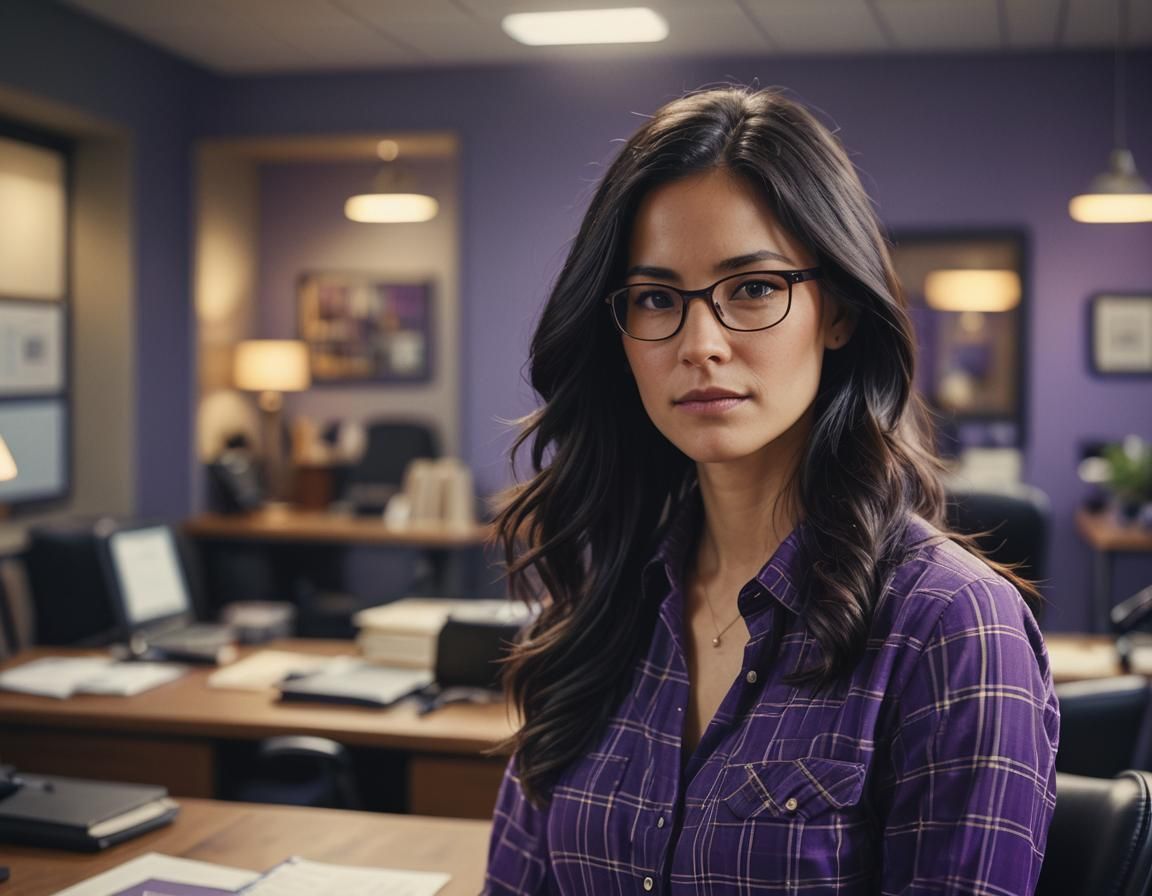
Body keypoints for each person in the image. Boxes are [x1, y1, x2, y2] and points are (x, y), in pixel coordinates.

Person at [484, 86, 1059, 895]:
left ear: (839, 312)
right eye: (656, 299)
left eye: (752, 288)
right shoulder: (597, 606)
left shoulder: (950, 626)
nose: (701, 345)